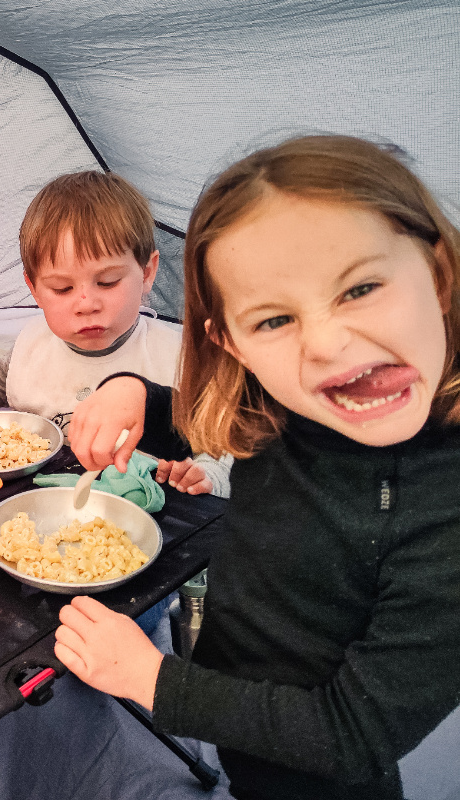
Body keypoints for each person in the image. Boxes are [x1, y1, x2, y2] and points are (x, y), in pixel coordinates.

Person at [56, 135, 460, 800]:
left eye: (360, 287)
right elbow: (213, 419)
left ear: (439, 272)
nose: (328, 343)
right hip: (236, 705)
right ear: (231, 342)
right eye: (274, 320)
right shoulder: (287, 401)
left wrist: (151, 681)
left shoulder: (443, 515)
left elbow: (351, 734)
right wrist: (135, 392)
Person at [0, 170, 231, 497]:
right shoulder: (34, 344)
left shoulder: (179, 356)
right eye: (62, 288)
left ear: (146, 274)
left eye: (107, 282)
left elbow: (223, 444)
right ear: (34, 290)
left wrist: (206, 474)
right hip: (40, 505)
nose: (86, 304)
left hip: (146, 511)